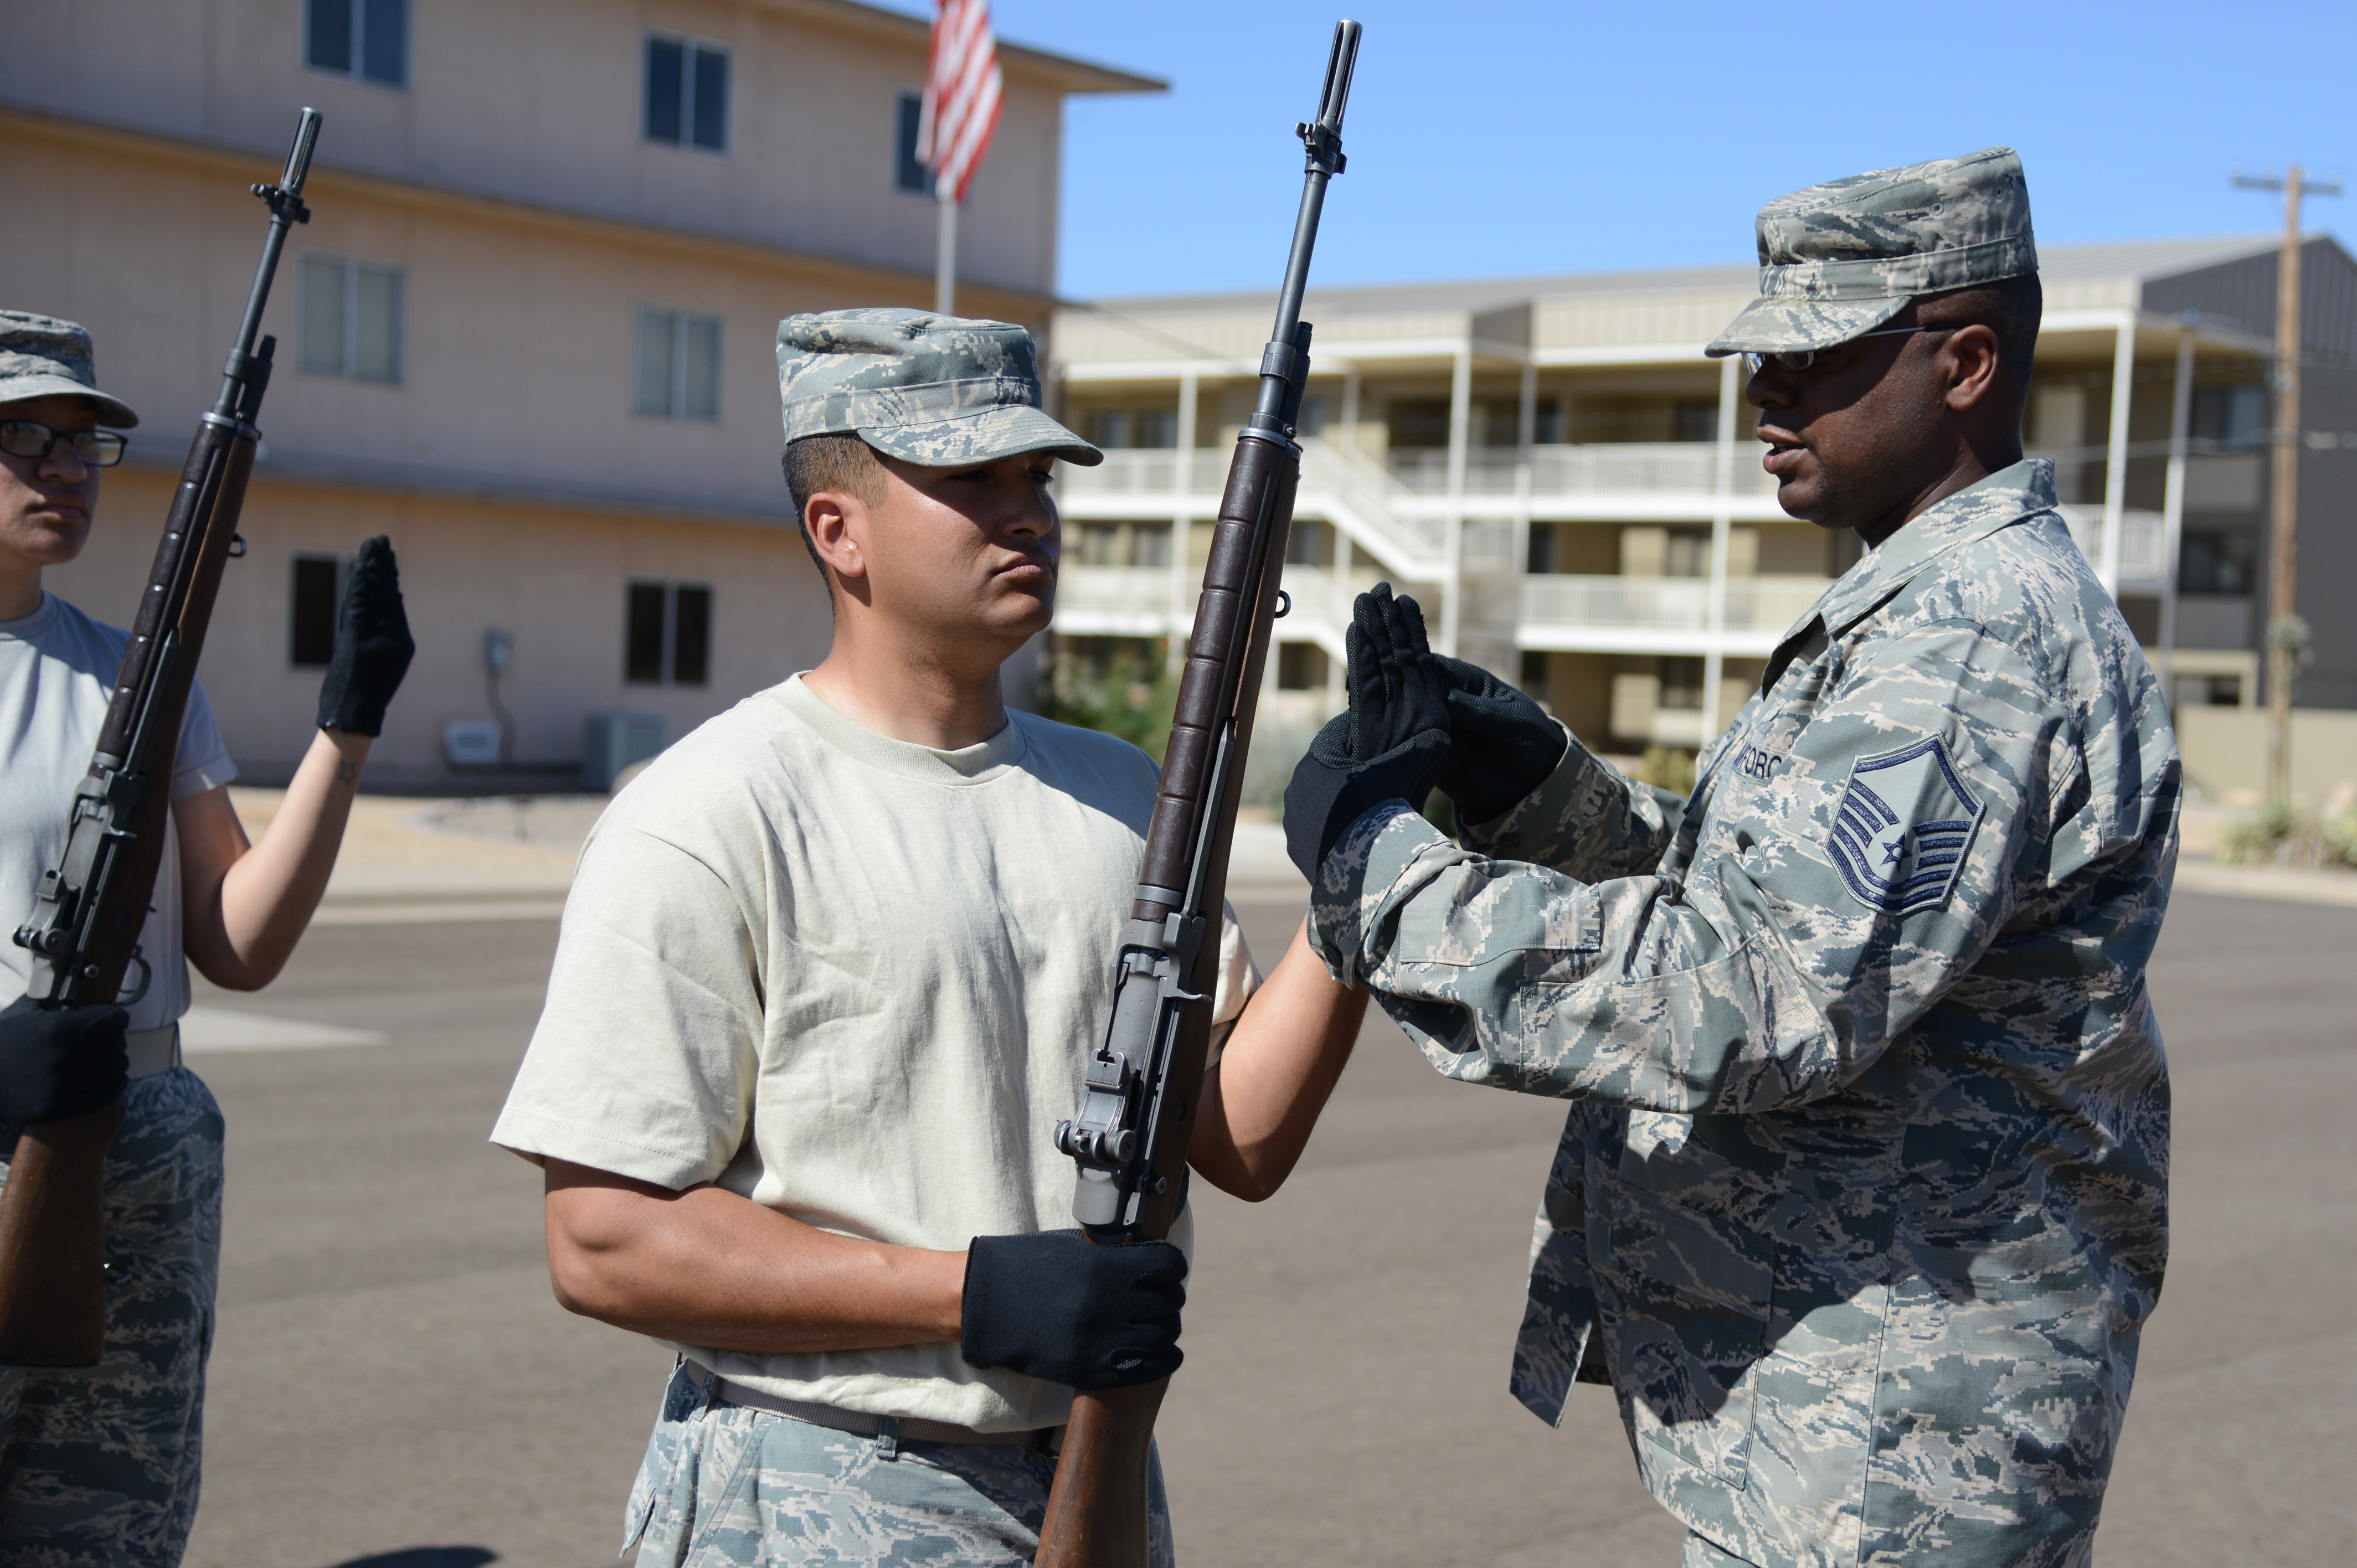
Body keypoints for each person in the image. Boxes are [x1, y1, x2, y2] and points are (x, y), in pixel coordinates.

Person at [1283, 149, 2175, 1567]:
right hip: (1850, 1411)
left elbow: (1753, 995)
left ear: (1965, 362)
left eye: (1815, 356)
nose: (1765, 389)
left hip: (1898, 1448)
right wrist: (1537, 790)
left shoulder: (1971, 636)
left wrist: (1381, 881)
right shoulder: (1920, 609)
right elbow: (1775, 906)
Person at [491, 309, 1368, 1568]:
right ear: (836, 530)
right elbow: (603, 1239)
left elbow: (1234, 1137)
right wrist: (973, 1293)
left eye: (1037, 477)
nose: (1027, 513)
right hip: (822, 1481)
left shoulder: (1127, 795)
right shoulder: (711, 812)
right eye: (971, 479)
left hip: (1091, 1463)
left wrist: (1356, 890)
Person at [0, 310, 415, 1566]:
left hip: (134, 1142)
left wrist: (345, 732)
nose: (67, 468)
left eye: (85, 442)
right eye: (25, 436)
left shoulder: (131, 675)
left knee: (106, 1527)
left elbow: (237, 940)